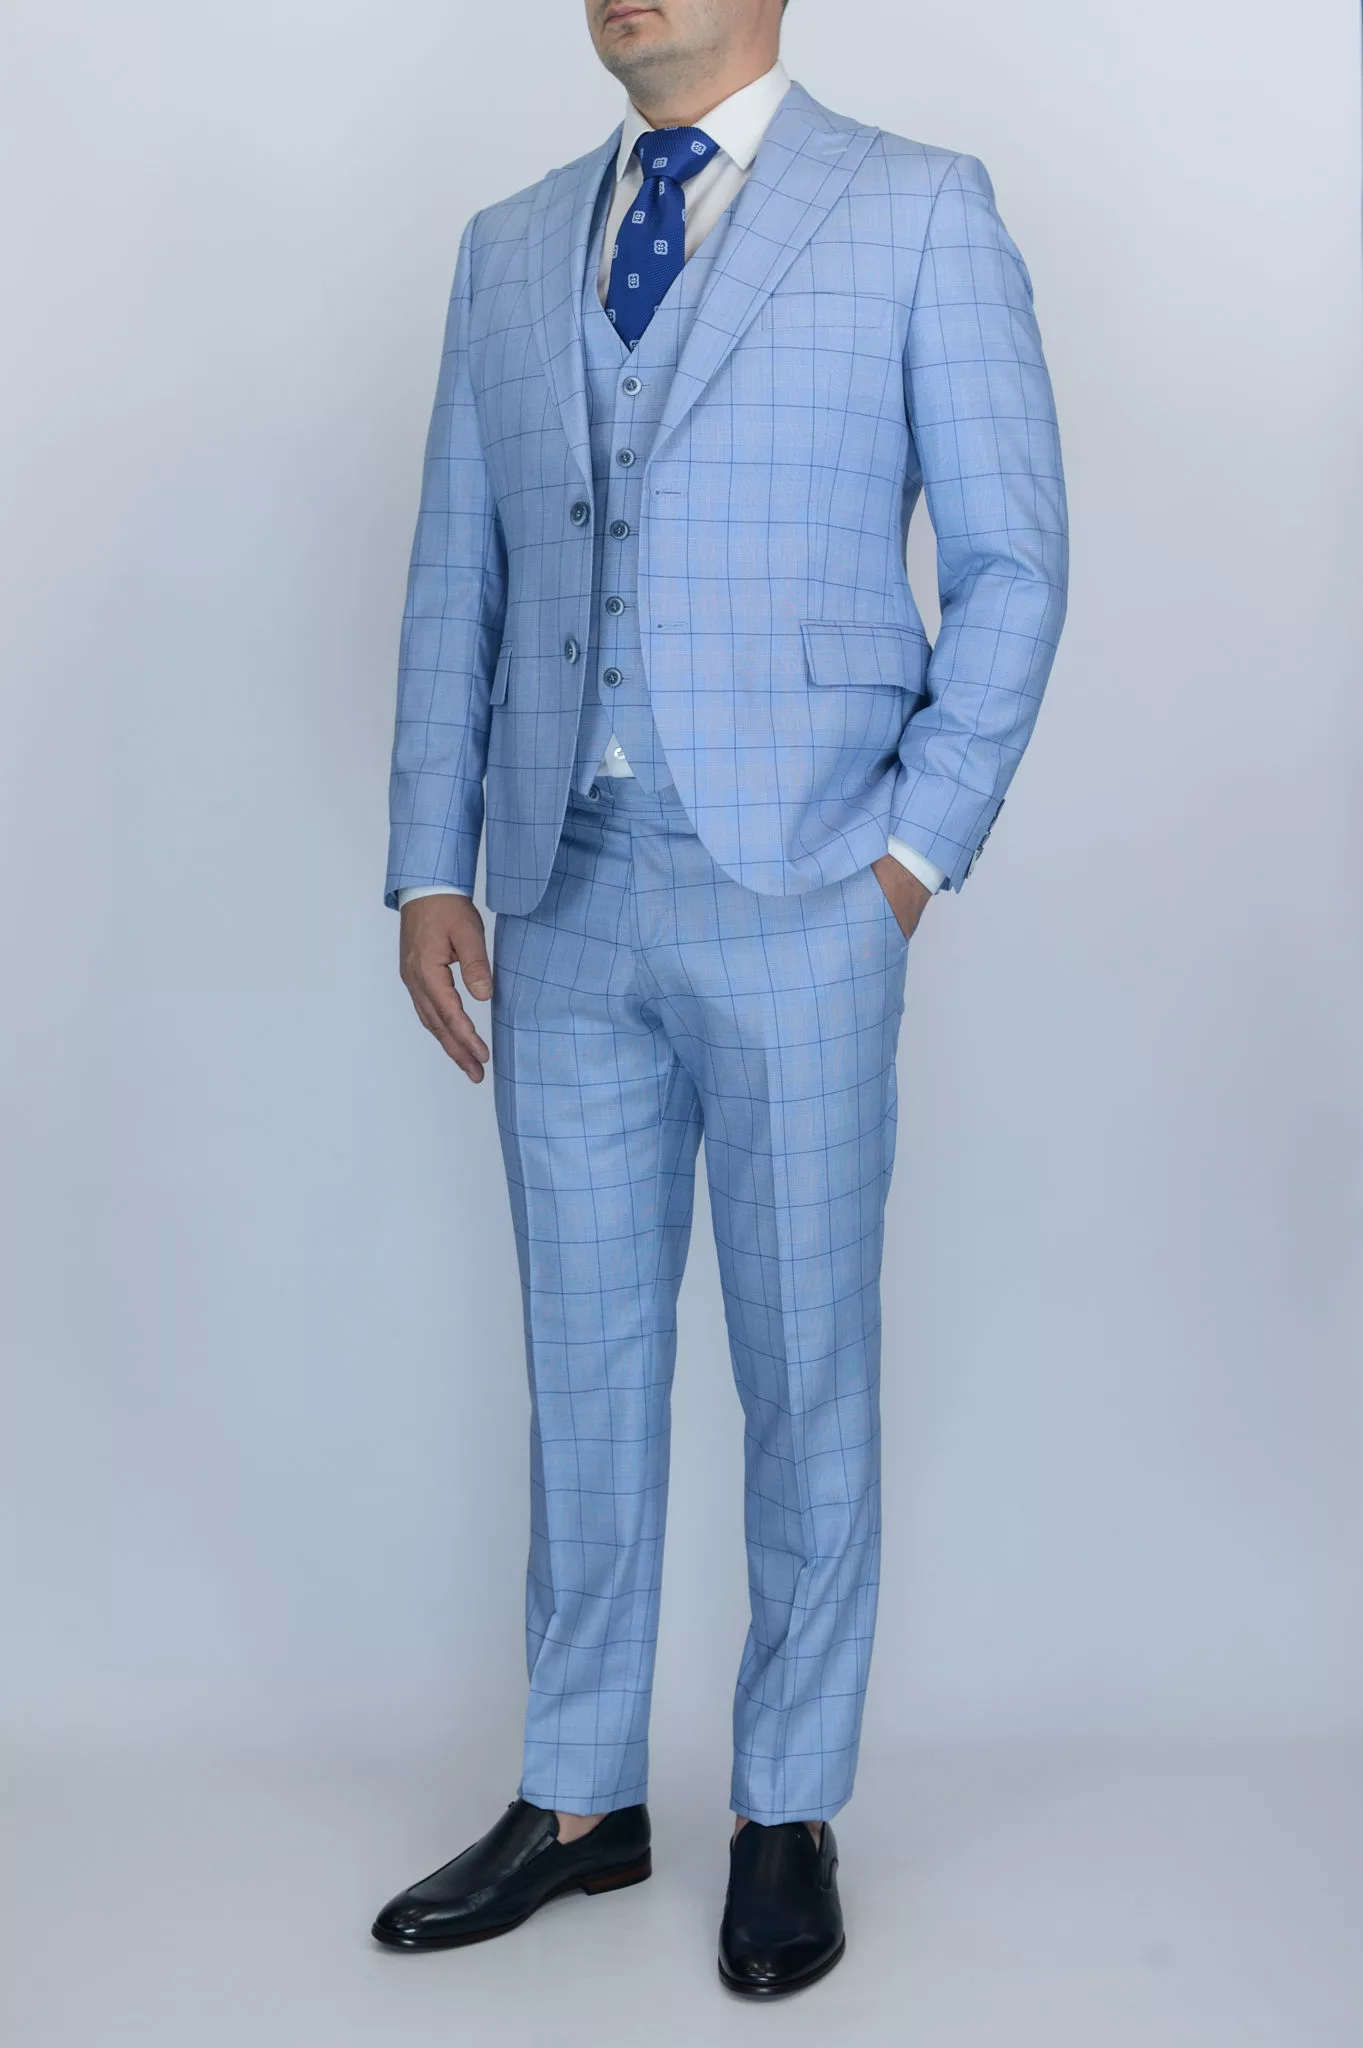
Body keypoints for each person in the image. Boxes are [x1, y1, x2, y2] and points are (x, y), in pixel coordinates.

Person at [371, 0, 1067, 1997]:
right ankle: (580, 1795)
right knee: (582, 1367)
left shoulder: (917, 210)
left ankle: (787, 1806)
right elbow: (456, 570)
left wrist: (909, 856)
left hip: (804, 888)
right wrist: (431, 858)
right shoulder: (512, 245)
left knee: (803, 1361)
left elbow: (1014, 561)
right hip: (560, 889)